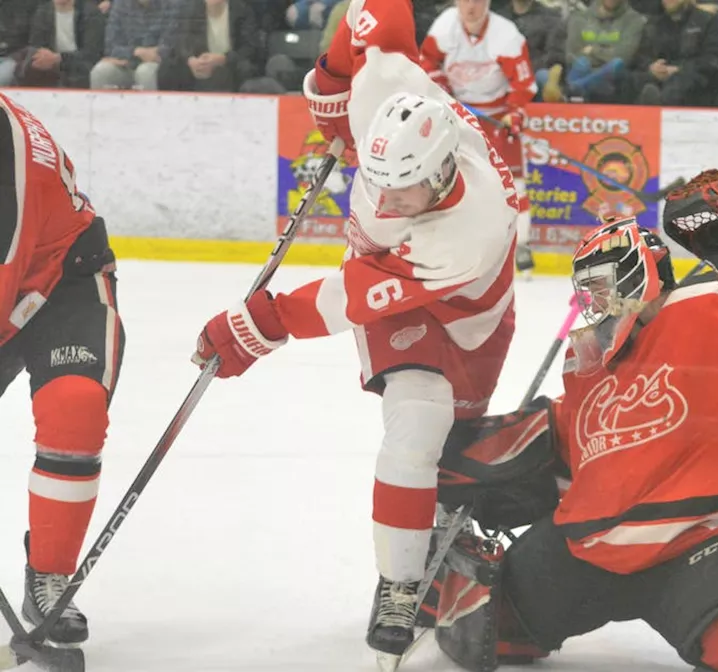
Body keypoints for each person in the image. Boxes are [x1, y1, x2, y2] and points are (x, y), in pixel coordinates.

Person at [418, 170, 718, 671]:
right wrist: (497, 451)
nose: (596, 303)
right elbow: (578, 442)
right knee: (485, 630)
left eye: (602, 285)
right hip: (589, 549)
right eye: (586, 292)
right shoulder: (586, 363)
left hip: (708, 536)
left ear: (640, 270)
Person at [191, 1, 520, 664]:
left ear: (441, 174)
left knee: (452, 451)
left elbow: (351, 297)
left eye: (400, 195)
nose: (382, 200)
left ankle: (437, 540)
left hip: (471, 314)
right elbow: (378, 16)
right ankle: (399, 584)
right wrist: (334, 92)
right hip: (397, 298)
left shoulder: (466, 231)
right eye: (376, 183)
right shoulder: (389, 90)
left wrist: (257, 323)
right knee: (418, 424)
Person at [0, 92, 124, 647]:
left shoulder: (9, 152)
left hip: (61, 280)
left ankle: (49, 573)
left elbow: (6, 277)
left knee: (73, 406)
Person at [421, 0, 539, 276]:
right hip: (458, 113)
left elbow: (524, 84)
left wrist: (515, 114)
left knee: (512, 182)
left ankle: (521, 244)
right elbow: (425, 61)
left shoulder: (506, 35)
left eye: (477, 0)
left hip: (498, 114)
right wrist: (441, 87)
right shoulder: (445, 26)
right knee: (451, 179)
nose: (470, 6)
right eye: (464, 0)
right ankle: (453, 243)